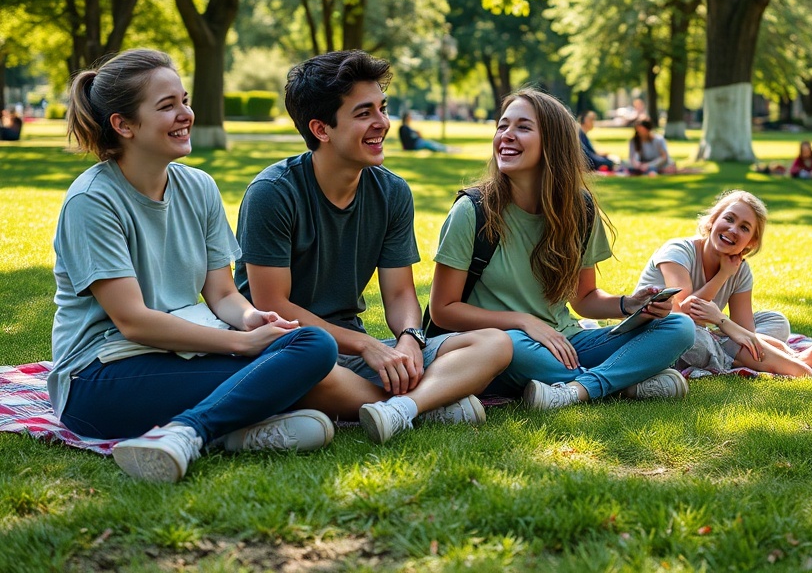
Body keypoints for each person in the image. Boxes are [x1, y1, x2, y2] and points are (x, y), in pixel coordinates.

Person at [51, 49, 356, 483]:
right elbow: (134, 322)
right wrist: (244, 346)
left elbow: (223, 294)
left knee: (312, 345)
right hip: (98, 380)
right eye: (167, 106)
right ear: (124, 125)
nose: (186, 114)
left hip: (180, 353)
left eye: (185, 100)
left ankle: (219, 434)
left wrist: (254, 320)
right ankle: (190, 433)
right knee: (289, 370)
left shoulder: (199, 187)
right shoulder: (92, 201)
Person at [234, 50, 513, 445]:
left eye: (381, 108)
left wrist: (409, 339)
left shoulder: (391, 191)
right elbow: (273, 306)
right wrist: (367, 345)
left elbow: (400, 292)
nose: (382, 123)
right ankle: (431, 400)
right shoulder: (273, 194)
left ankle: (402, 407)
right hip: (291, 348)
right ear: (321, 129)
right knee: (302, 371)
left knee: (494, 343)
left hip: (355, 349)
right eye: (364, 113)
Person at [428, 88, 695, 412]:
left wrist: (630, 304)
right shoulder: (474, 210)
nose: (506, 136)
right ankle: (620, 384)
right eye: (502, 126)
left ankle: (580, 388)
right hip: (499, 346)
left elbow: (584, 299)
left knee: (679, 327)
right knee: (513, 345)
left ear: (553, 144)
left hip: (565, 343)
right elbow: (443, 309)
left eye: (523, 127)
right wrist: (523, 322)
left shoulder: (579, 210)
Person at [633, 190, 789, 366]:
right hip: (659, 334)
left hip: (703, 331)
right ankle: (731, 356)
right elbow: (683, 312)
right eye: (729, 219)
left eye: (744, 228)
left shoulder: (741, 270)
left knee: (777, 322)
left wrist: (724, 324)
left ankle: (724, 352)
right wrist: (723, 275)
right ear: (713, 220)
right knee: (694, 336)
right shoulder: (677, 251)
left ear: (751, 242)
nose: (732, 229)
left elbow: (745, 331)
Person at [682, 304, 812, 379]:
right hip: (722, 338)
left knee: (686, 329)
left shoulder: (800, 370)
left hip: (711, 350)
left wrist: (721, 319)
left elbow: (742, 343)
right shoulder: (790, 352)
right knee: (778, 322)